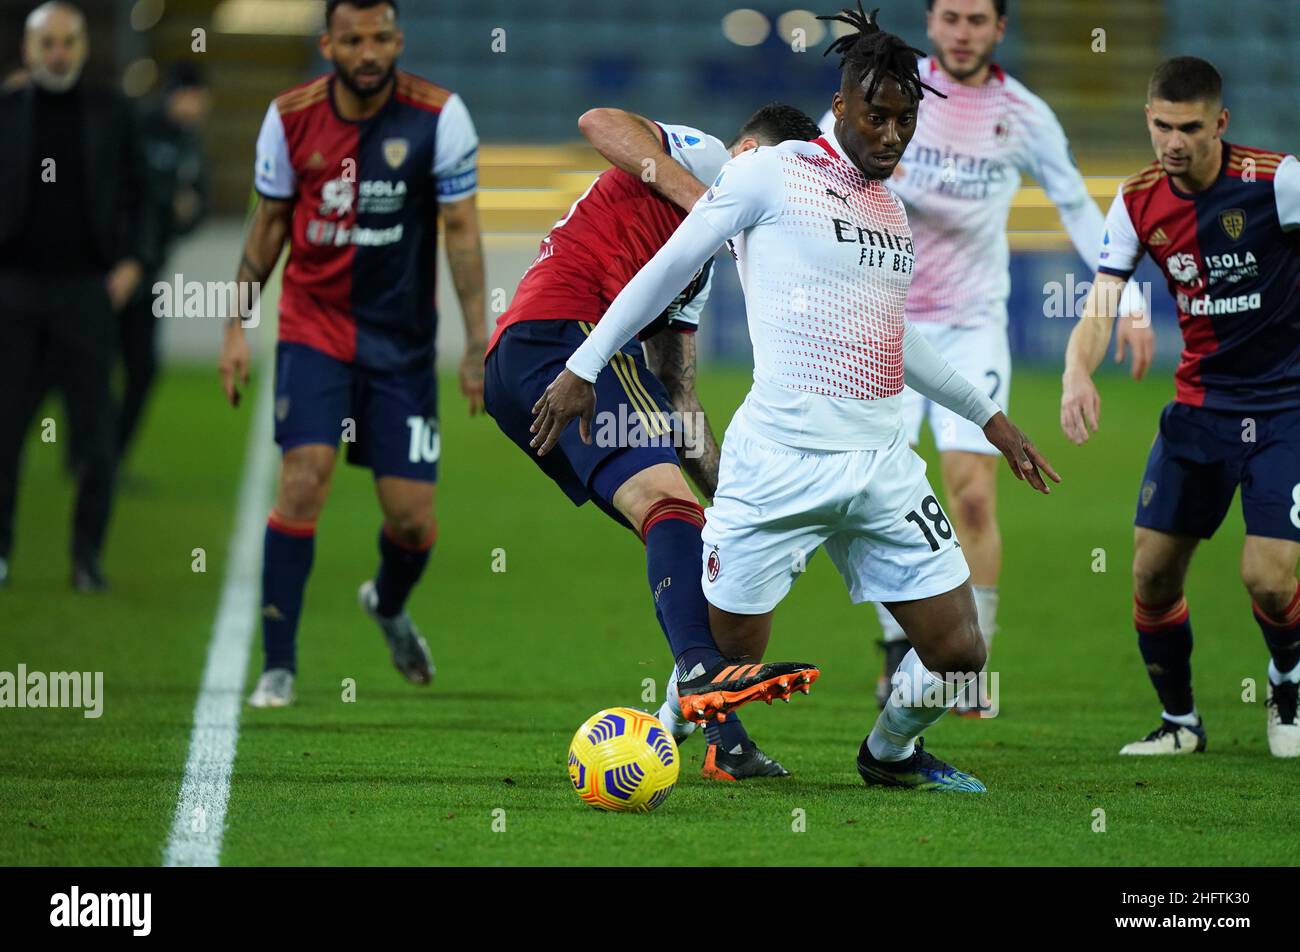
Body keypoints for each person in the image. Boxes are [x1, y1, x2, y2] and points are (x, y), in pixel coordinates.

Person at [533, 6, 1060, 792]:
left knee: (960, 653)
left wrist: (991, 419)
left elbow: (896, 337)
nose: (892, 135)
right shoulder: (769, 174)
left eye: (905, 121)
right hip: (777, 463)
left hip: (882, 463)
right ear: (841, 108)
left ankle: (889, 755)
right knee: (730, 659)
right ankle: (654, 739)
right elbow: (667, 264)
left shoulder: (890, 211)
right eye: (877, 117)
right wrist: (585, 363)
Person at [818, 0, 1149, 714]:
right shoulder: (891, 91)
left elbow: (1075, 203)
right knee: (873, 495)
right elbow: (819, 163)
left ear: (1000, 29)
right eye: (951, 17)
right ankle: (899, 652)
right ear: (932, 24)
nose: (962, 31)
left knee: (970, 495)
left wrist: (1124, 294)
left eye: (977, 19)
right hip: (883, 321)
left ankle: (969, 666)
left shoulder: (1022, 114)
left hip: (970, 327)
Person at [486, 103, 825, 781]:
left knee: (680, 524)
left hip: (525, 369)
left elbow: (678, 401)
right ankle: (703, 673)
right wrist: (708, 203)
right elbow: (596, 121)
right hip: (564, 337)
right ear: (750, 150)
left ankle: (725, 741)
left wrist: (743, 506)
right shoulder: (702, 160)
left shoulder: (696, 272)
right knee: (670, 509)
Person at [217, 0, 487, 707]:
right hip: (315, 328)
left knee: (409, 516)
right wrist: (235, 325)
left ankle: (388, 605)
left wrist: (475, 340)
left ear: (398, 39)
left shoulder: (440, 116)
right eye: (353, 39)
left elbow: (460, 230)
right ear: (328, 44)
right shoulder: (289, 116)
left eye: (381, 38)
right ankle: (278, 665)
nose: (369, 52)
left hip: (401, 344)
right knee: (304, 477)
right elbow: (270, 221)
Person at [1061, 56, 1300, 758]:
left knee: (1267, 576)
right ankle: (1181, 724)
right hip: (1199, 411)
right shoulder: (1136, 200)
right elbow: (1102, 304)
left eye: (1189, 127)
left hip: (1285, 410)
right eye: (1161, 125)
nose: (1173, 141)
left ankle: (1287, 679)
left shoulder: (1279, 181)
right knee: (1151, 573)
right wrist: (1078, 371)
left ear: (1220, 123)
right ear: (1148, 119)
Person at [0, 1, 156, 592]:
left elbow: (147, 195)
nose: (58, 53)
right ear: (28, 50)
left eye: (68, 42)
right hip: (12, 294)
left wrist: (134, 261)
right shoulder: (7, 110)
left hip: (87, 294)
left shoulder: (113, 112)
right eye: (47, 43)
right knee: (5, 433)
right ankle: (1, 553)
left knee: (96, 435)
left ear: (84, 48)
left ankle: (87, 559)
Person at [117, 61, 212, 476]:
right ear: (176, 93)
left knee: (142, 367)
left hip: (150, 269)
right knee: (71, 365)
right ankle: (85, 451)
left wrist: (186, 214)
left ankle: (109, 457)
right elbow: (121, 193)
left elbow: (198, 207)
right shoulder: (137, 128)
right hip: (111, 266)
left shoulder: (192, 144)